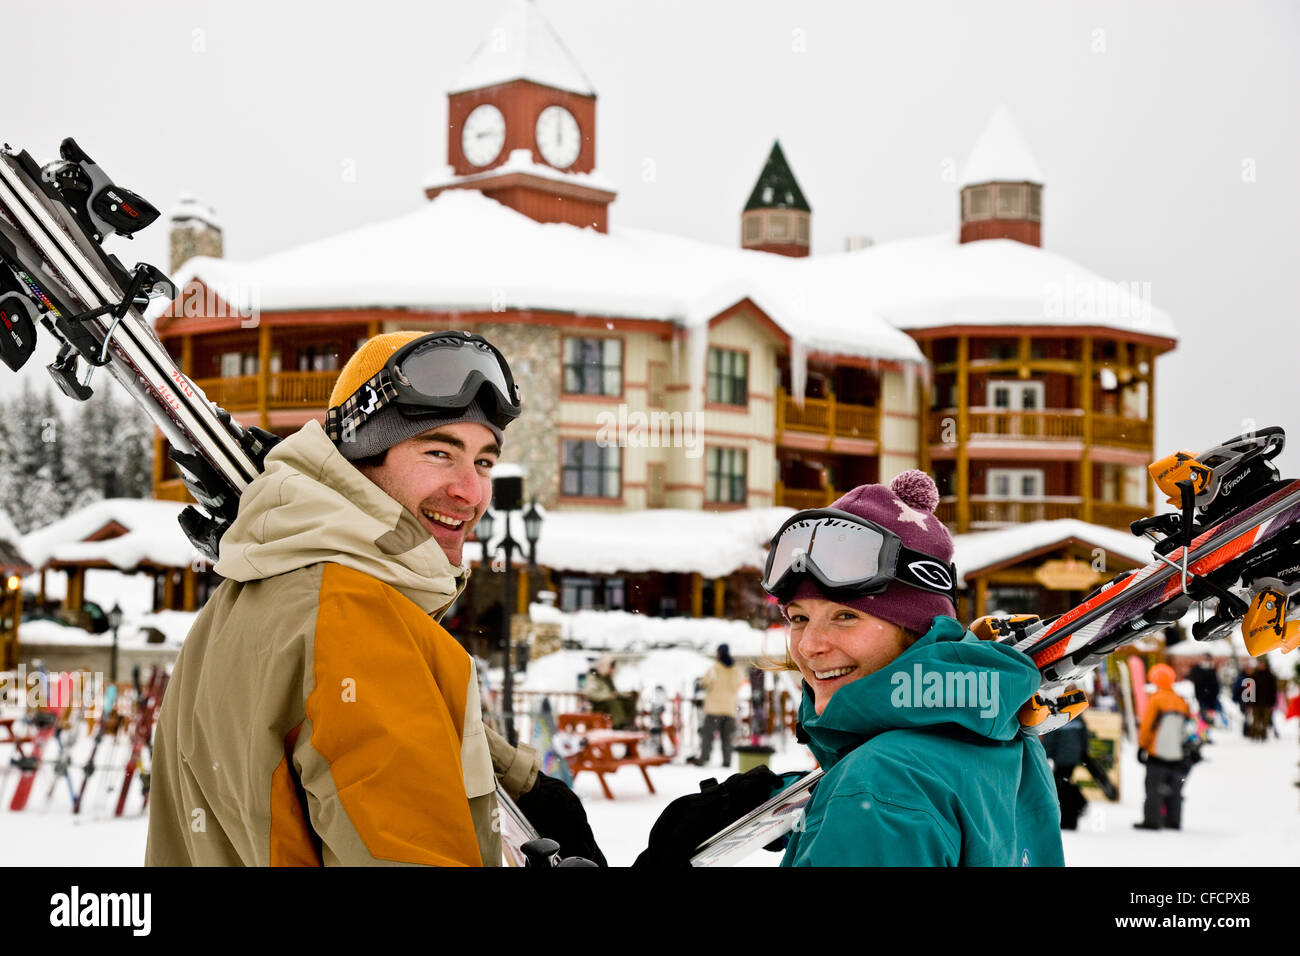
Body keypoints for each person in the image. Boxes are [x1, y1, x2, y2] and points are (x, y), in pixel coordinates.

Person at [146, 330, 603, 866]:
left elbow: (378, 731)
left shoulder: (252, 591)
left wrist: (528, 786)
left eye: (483, 462)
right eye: (438, 452)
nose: (470, 492)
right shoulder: (355, 618)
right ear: (360, 457)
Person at [634, 471, 1065, 867]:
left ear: (914, 631)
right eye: (799, 618)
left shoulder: (879, 786)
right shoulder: (1005, 740)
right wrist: (805, 796)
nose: (810, 646)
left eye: (846, 617)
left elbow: (889, 798)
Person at [1133, 662, 1192, 831]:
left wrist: (1142, 745)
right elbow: (1187, 728)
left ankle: (1152, 820)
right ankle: (1174, 820)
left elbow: (1147, 725)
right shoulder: (1181, 701)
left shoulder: (1156, 699)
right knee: (1174, 790)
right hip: (1177, 753)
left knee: (1153, 788)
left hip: (1157, 752)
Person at [688, 643, 744, 767]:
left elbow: (704, 683)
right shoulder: (736, 670)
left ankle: (704, 758)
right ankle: (727, 760)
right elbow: (738, 685)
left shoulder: (714, 668)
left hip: (713, 709)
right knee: (727, 738)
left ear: (719, 653)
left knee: (707, 736)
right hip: (729, 709)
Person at [584, 655, 638, 730]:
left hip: (608, 702)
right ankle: (620, 725)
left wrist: (625, 696)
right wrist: (608, 696)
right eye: (611, 667)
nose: (612, 670)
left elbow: (614, 691)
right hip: (598, 704)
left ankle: (628, 724)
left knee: (628, 701)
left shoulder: (607, 677)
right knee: (613, 701)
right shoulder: (593, 675)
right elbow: (590, 693)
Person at [1188, 653, 1223, 734]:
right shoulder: (1197, 669)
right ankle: (1203, 734)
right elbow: (1194, 680)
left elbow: (1216, 684)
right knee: (1202, 717)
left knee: (1209, 718)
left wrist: (1215, 694)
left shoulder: (1212, 670)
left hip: (1211, 699)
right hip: (1201, 698)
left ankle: (1207, 734)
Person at [1248, 658, 1279, 741]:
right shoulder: (1254, 676)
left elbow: (1274, 691)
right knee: (1256, 720)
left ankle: (1263, 735)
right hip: (1255, 703)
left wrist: (1272, 702)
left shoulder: (1270, 676)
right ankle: (1254, 735)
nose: (1261, 666)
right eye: (1260, 664)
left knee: (1265, 720)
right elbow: (1249, 690)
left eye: (1263, 664)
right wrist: (1249, 702)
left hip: (1267, 703)